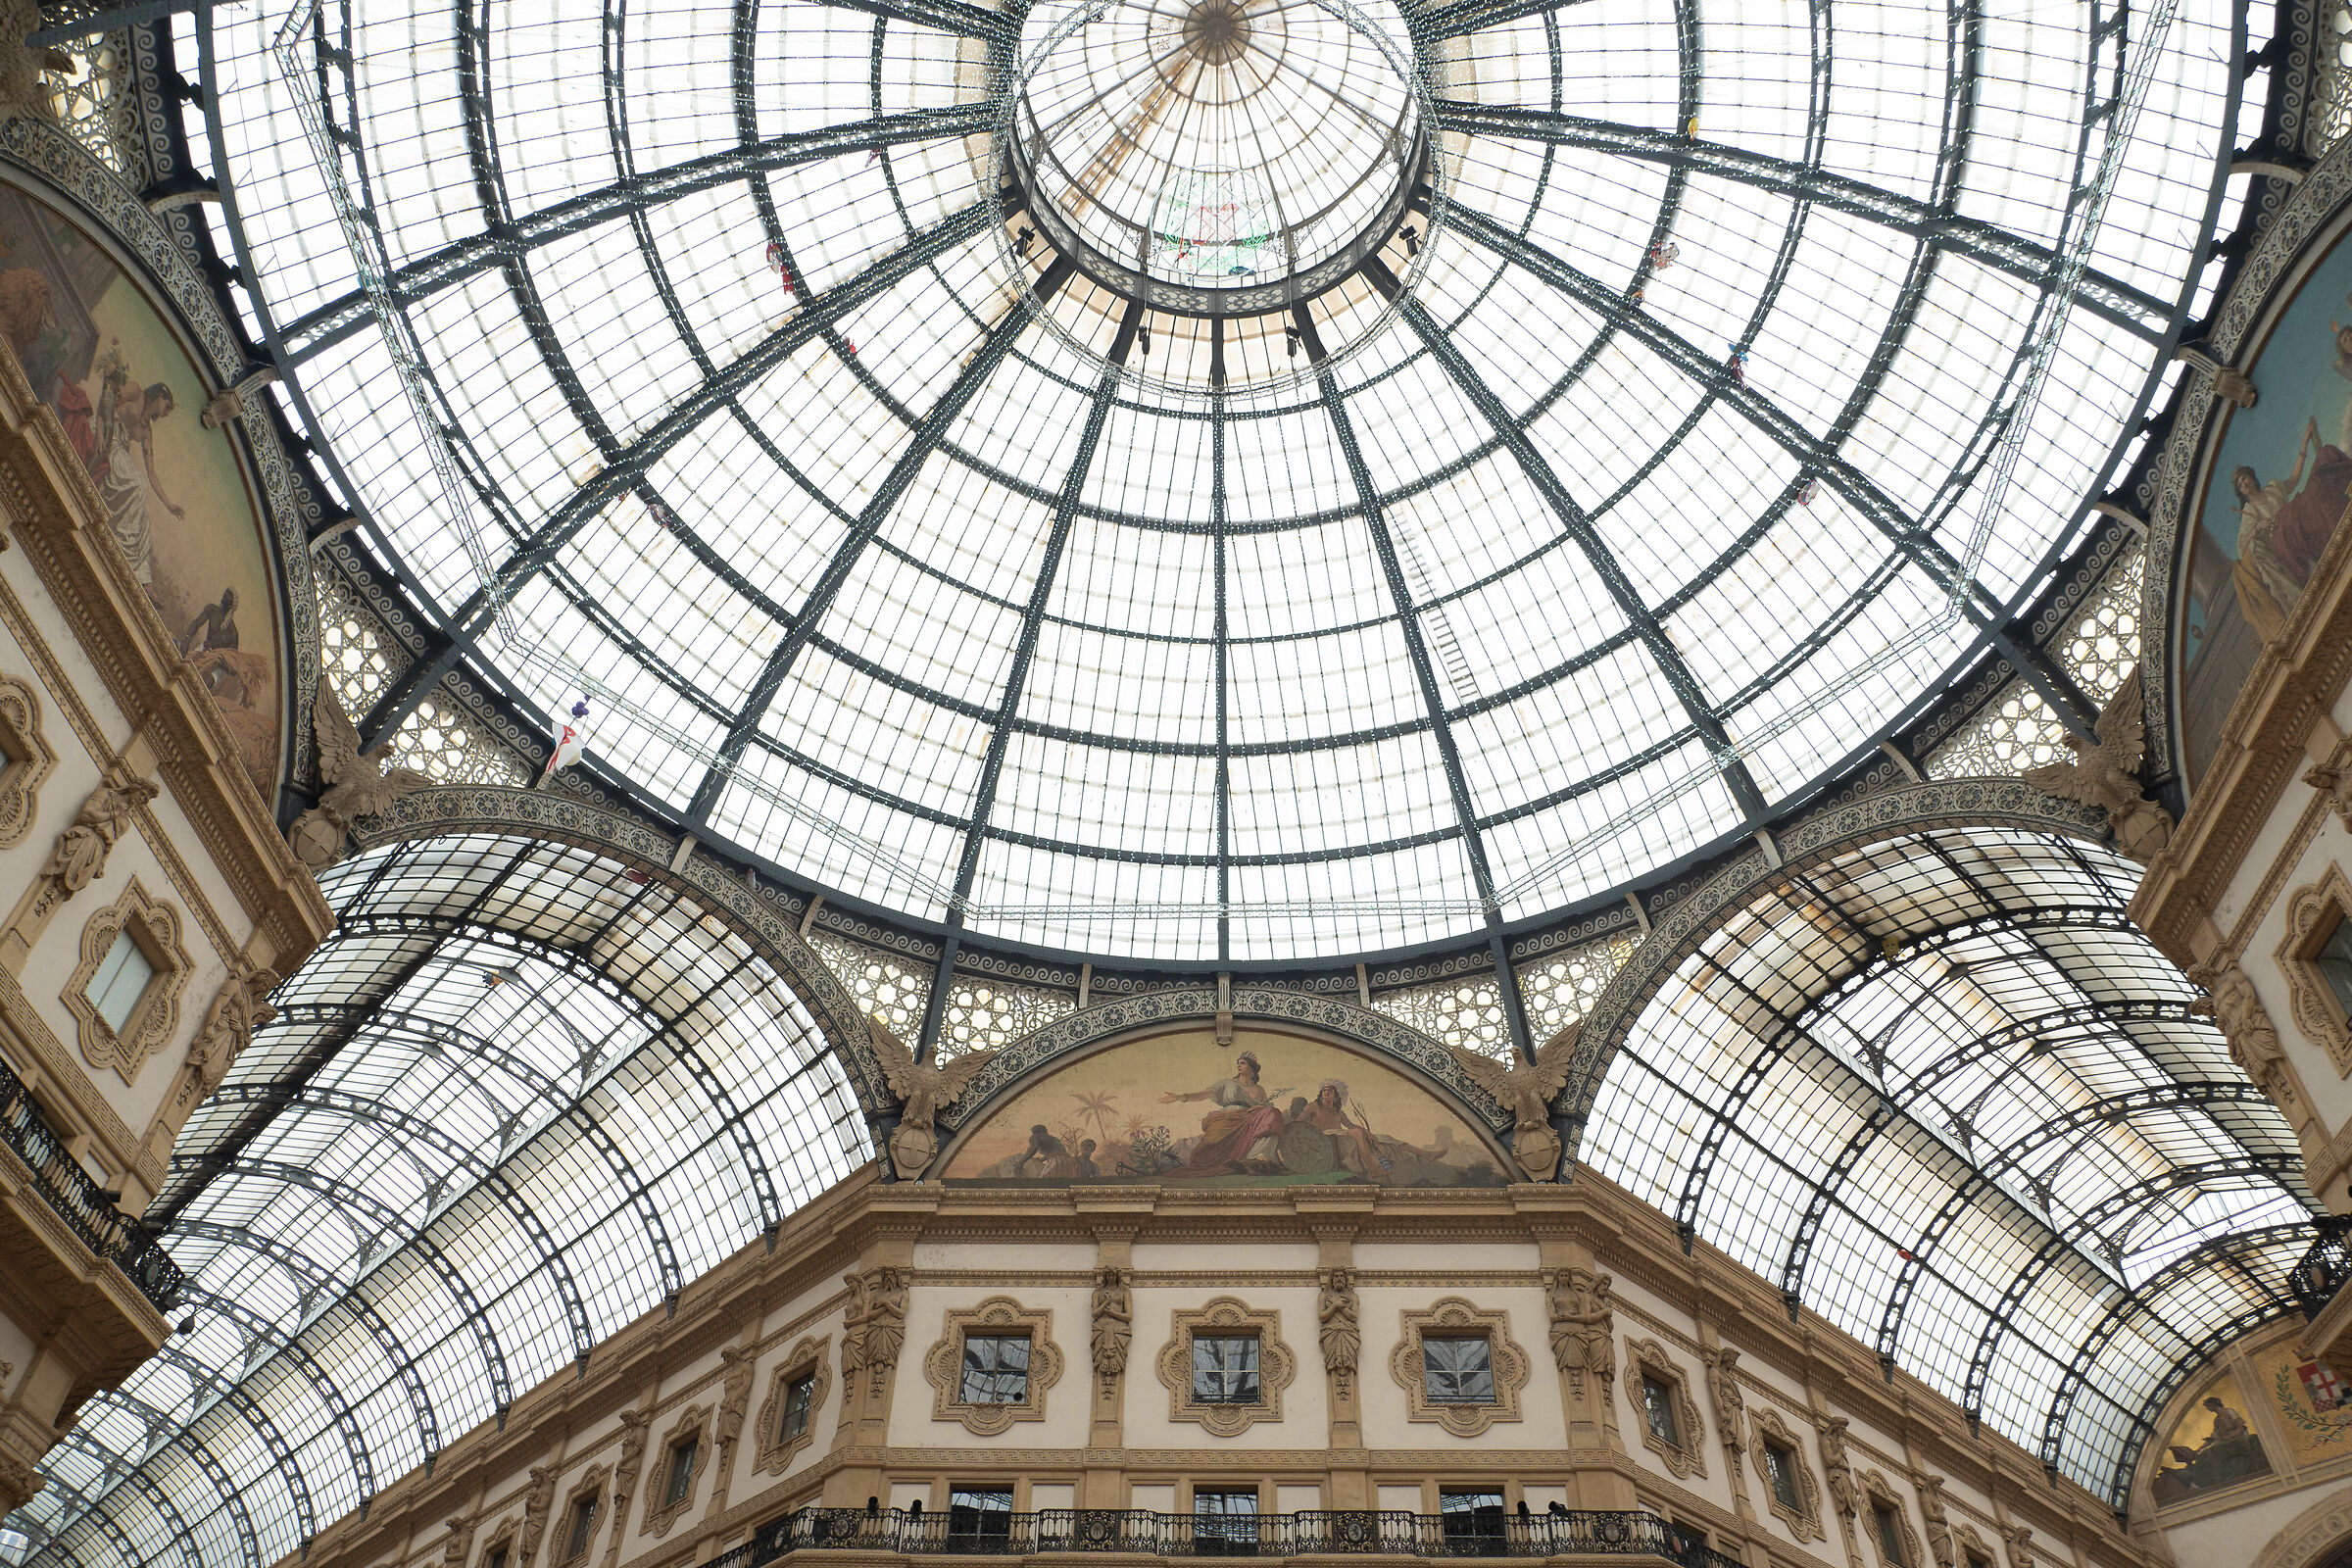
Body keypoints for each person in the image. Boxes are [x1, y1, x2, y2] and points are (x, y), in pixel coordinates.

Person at [90, 355, 185, 593]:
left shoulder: (146, 432)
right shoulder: (135, 391)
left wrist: (169, 504)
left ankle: (144, 580)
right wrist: (101, 432)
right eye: (166, 406)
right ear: (159, 396)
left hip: (119, 448)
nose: (165, 413)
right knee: (137, 484)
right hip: (106, 431)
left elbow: (152, 474)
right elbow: (107, 402)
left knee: (143, 520)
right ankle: (116, 537)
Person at [1160, 1052, 1290, 1176]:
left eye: (1243, 1063)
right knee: (1208, 1145)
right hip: (1227, 1118)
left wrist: (1260, 1108)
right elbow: (1203, 1095)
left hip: (1251, 1119)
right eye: (1238, 1063)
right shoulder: (1227, 1083)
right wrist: (1182, 1097)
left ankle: (1260, 1156)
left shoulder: (1259, 1089)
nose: (1238, 1065)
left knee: (1273, 1113)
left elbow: (1266, 1106)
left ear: (1252, 1067)